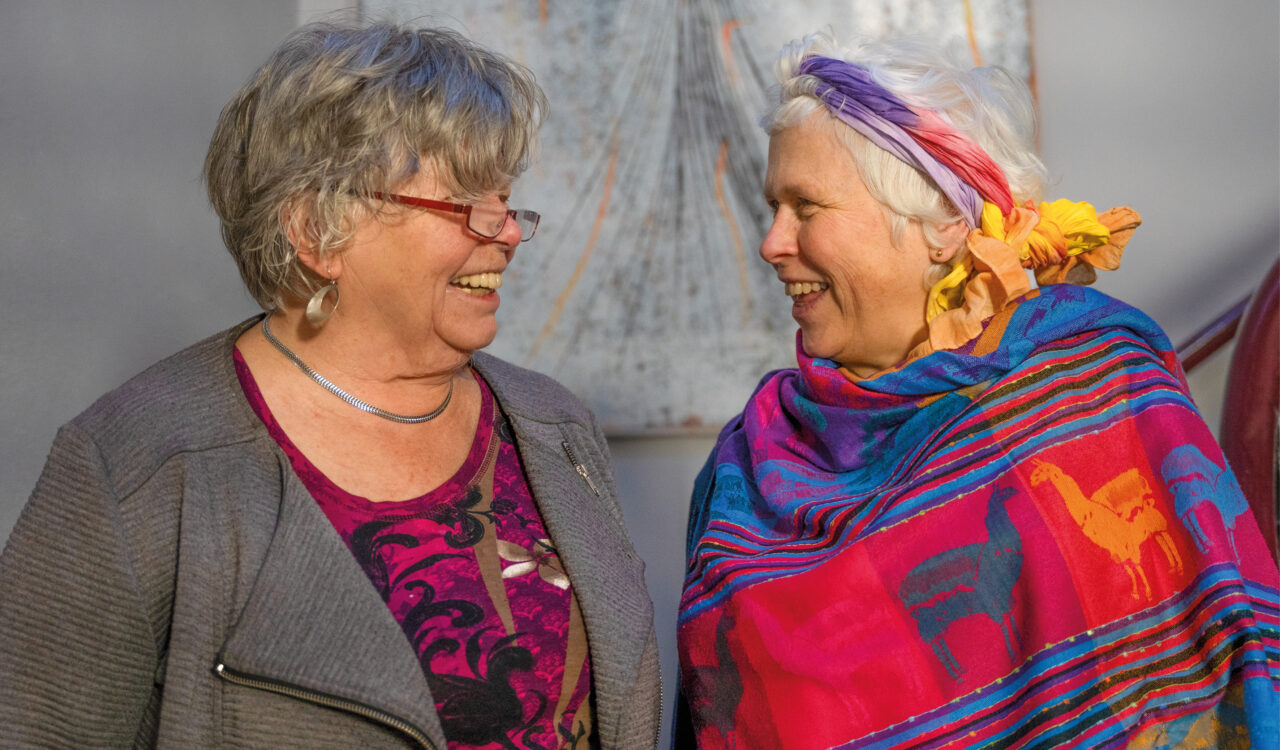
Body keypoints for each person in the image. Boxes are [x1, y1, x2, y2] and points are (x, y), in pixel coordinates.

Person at [0, 20, 659, 749]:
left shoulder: (554, 428)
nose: (505, 233)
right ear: (317, 231)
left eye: (505, 202)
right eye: (467, 204)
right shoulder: (140, 465)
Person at [677, 33, 1280, 749]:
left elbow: (1211, 664)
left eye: (806, 207)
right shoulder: (748, 468)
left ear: (942, 224)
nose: (772, 243)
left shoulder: (1090, 394)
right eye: (774, 206)